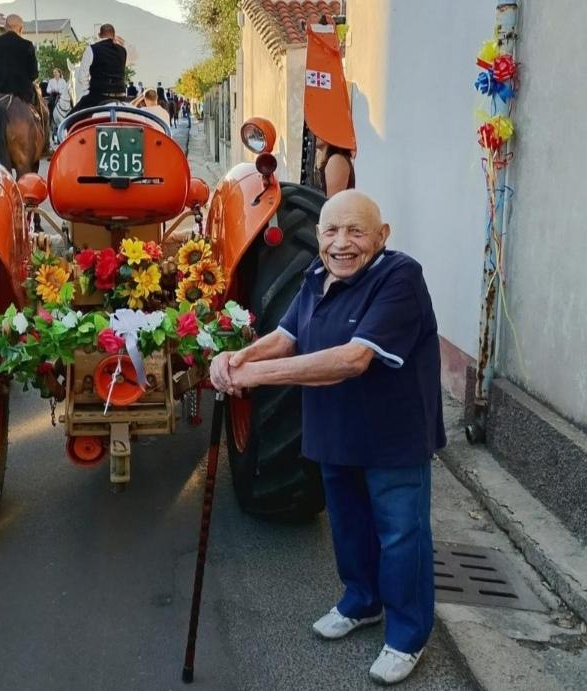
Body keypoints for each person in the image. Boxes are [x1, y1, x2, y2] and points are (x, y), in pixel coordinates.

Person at [209, 190, 445, 685]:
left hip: (391, 436)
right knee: (349, 524)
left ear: (382, 236)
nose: (342, 243)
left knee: (401, 535)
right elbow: (286, 336)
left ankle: (407, 635)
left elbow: (352, 359)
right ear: (318, 237)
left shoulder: (400, 277)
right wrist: (237, 359)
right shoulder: (317, 276)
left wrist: (258, 377)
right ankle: (361, 602)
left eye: (356, 231)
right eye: (331, 231)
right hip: (336, 430)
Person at [0, 14, 39, 105]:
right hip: (23, 95)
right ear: (21, 29)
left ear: (5, 27)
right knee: (40, 113)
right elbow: (34, 74)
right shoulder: (27, 45)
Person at [71, 24, 127, 113]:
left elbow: (82, 77)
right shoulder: (123, 51)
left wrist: (87, 92)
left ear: (99, 35)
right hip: (121, 97)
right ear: (114, 35)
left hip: (98, 97)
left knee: (68, 120)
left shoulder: (92, 49)